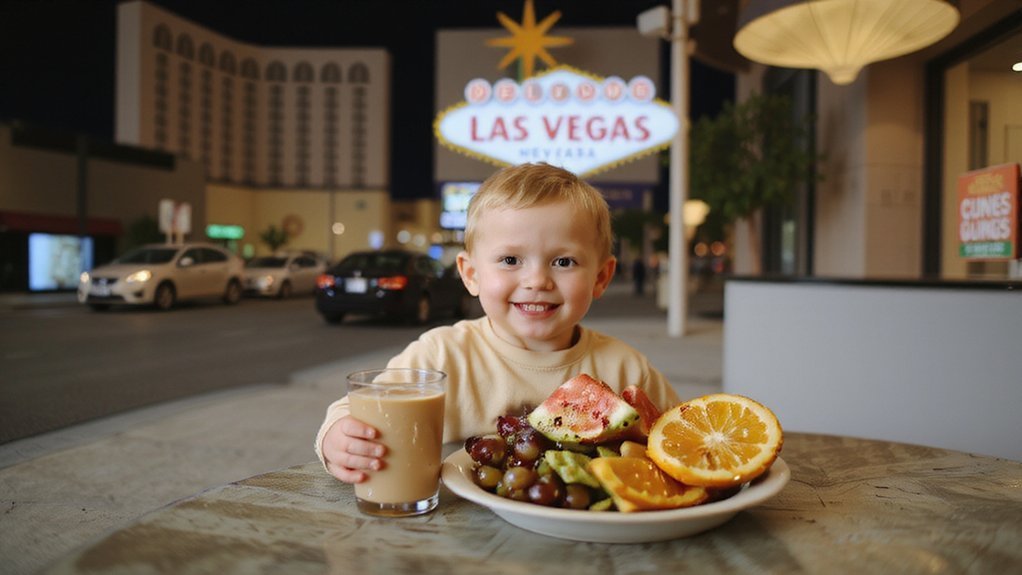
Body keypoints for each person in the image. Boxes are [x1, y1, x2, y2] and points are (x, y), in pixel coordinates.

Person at [315, 162, 681, 484]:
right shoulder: (441, 354)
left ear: (601, 277)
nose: (537, 280)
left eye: (564, 262)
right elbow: (355, 409)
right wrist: (338, 440)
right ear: (470, 274)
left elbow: (682, 440)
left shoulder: (627, 369)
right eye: (510, 260)